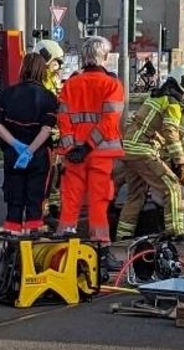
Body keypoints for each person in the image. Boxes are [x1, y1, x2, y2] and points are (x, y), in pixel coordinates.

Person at [56, 36, 125, 268]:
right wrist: (87, 147)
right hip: (99, 155)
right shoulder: (112, 85)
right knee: (98, 203)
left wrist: (72, 148)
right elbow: (109, 122)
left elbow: (63, 119)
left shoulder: (70, 85)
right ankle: (101, 253)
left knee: (70, 202)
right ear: (104, 57)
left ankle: (63, 253)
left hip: (74, 156)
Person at [116, 66, 184, 241]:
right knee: (173, 187)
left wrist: (182, 156)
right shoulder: (173, 103)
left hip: (129, 149)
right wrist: (181, 163)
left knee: (135, 195)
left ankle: (123, 237)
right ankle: (176, 232)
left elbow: (172, 135)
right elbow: (171, 132)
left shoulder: (156, 97)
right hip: (143, 151)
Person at [0, 53, 59, 235]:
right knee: (35, 200)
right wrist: (29, 151)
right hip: (39, 154)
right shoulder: (48, 97)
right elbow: (46, 129)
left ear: (23, 68)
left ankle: (12, 239)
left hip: (13, 153)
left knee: (14, 200)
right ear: (42, 71)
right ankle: (32, 240)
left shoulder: (6, 94)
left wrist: (16, 145)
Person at [34, 39, 65, 219]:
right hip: (45, 136)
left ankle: (54, 207)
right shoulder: (41, 81)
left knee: (55, 174)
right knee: (46, 174)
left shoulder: (52, 80)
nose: (59, 66)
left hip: (54, 135)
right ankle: (43, 211)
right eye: (56, 61)